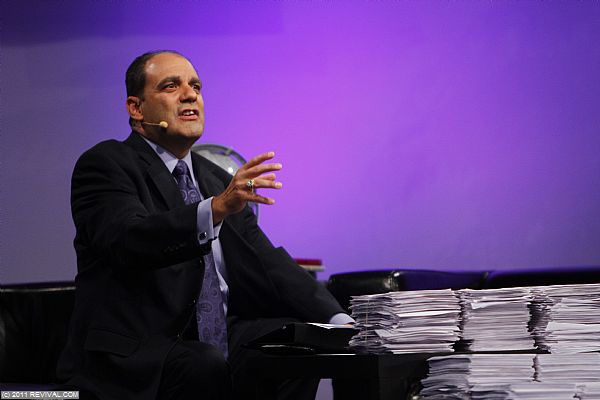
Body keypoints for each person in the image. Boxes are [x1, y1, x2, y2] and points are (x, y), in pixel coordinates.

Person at [56, 50, 352, 400]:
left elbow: (268, 261)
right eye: (171, 86)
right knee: (202, 363)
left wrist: (340, 322)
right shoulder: (107, 163)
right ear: (136, 108)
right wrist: (213, 210)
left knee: (295, 349)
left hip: (216, 338)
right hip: (138, 351)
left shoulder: (214, 179)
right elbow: (129, 239)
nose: (189, 94)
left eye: (195, 86)